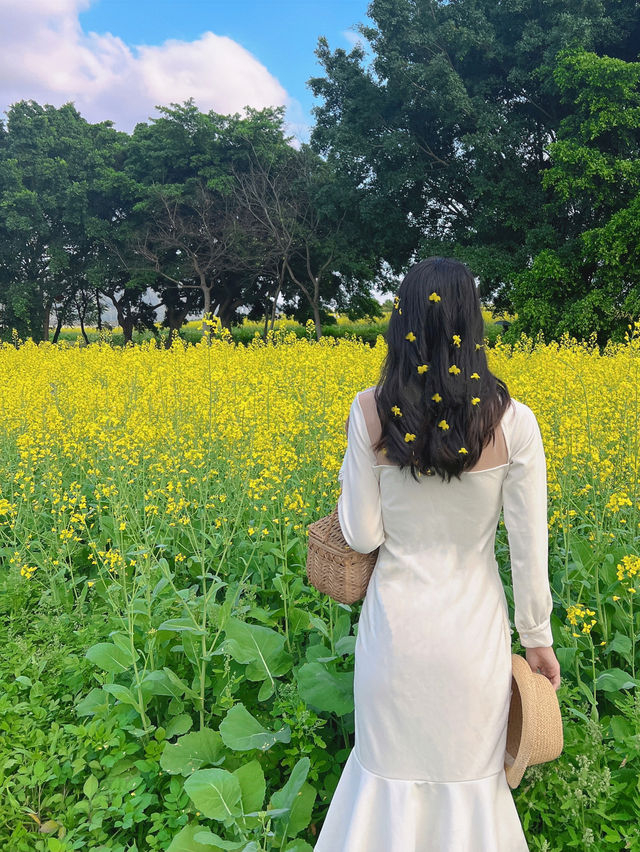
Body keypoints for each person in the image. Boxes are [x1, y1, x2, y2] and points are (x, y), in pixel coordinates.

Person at [313, 256, 561, 852]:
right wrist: (537, 640)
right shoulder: (514, 423)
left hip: (396, 640)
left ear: (403, 325)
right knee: (469, 790)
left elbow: (363, 534)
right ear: (472, 326)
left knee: (386, 785)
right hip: (471, 642)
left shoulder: (370, 411)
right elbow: (529, 550)